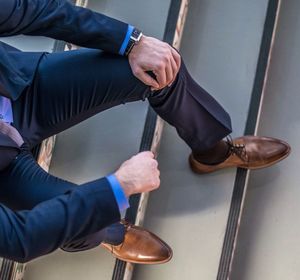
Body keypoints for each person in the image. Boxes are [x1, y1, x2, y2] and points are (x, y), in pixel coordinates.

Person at [0, 0, 290, 264]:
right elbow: (19, 240)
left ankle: (212, 151)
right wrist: (119, 188)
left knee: (156, 70)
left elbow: (32, 10)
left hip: (18, 89)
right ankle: (113, 233)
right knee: (84, 222)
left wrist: (132, 42)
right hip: (5, 171)